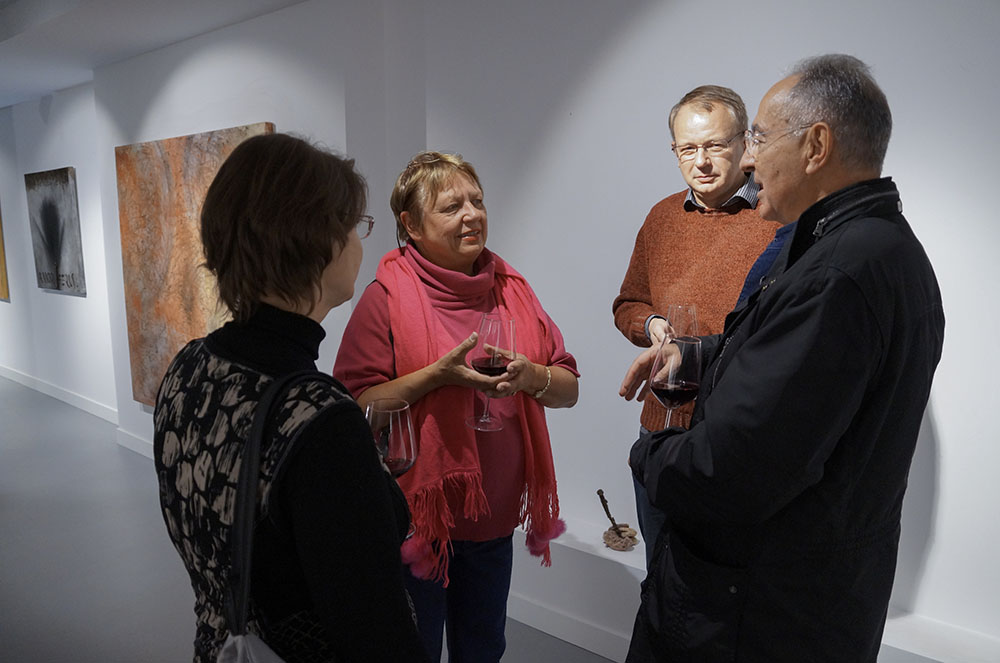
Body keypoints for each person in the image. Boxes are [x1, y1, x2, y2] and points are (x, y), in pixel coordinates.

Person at [620, 55, 945, 662]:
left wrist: (648, 455)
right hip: (807, 594)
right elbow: (786, 373)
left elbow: (730, 471)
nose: (747, 160)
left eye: (759, 139)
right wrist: (696, 356)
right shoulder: (875, 246)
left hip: (756, 609)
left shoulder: (837, 274)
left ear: (816, 146)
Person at [153, 133, 429, 663]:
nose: (359, 241)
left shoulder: (189, 367)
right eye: (353, 224)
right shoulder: (318, 419)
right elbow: (378, 634)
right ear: (315, 241)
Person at [334, 151, 579, 662]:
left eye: (477, 201)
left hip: (494, 515)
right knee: (415, 651)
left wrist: (531, 376)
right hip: (416, 523)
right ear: (411, 224)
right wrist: (436, 376)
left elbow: (568, 388)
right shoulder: (385, 296)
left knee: (483, 649)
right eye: (451, 207)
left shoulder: (513, 290)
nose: (472, 215)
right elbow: (356, 406)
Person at [612, 85, 783, 566]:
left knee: (725, 582)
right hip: (662, 427)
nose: (701, 162)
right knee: (659, 575)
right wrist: (650, 324)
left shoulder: (777, 215)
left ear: (745, 143)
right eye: (688, 149)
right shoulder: (662, 217)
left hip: (736, 436)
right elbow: (628, 301)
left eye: (714, 146)